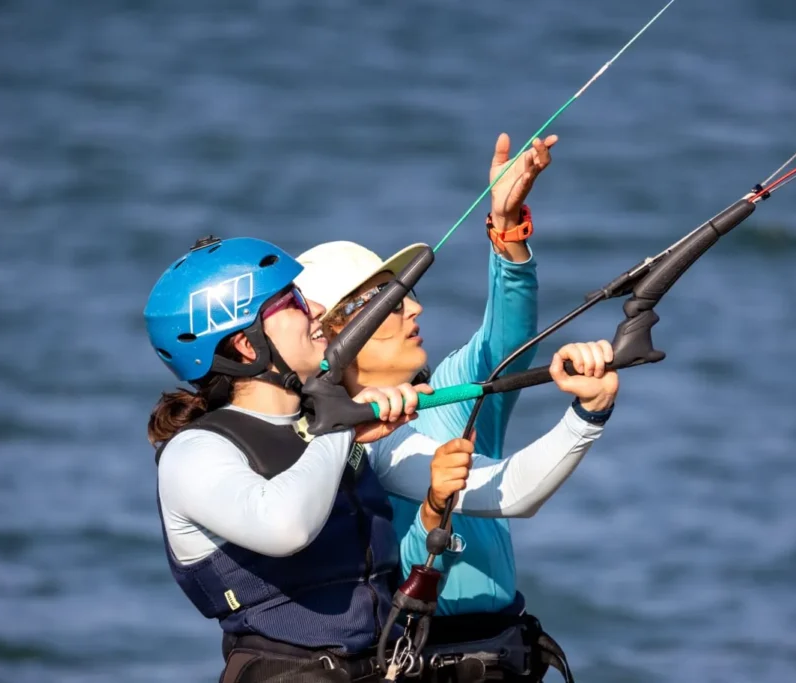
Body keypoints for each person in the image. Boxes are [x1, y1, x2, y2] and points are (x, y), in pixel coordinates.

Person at [144, 235, 619, 683]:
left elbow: (508, 491)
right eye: (290, 302)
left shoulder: (348, 433)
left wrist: (587, 415)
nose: (311, 312)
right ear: (247, 346)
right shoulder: (195, 453)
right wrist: (342, 427)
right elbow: (285, 526)